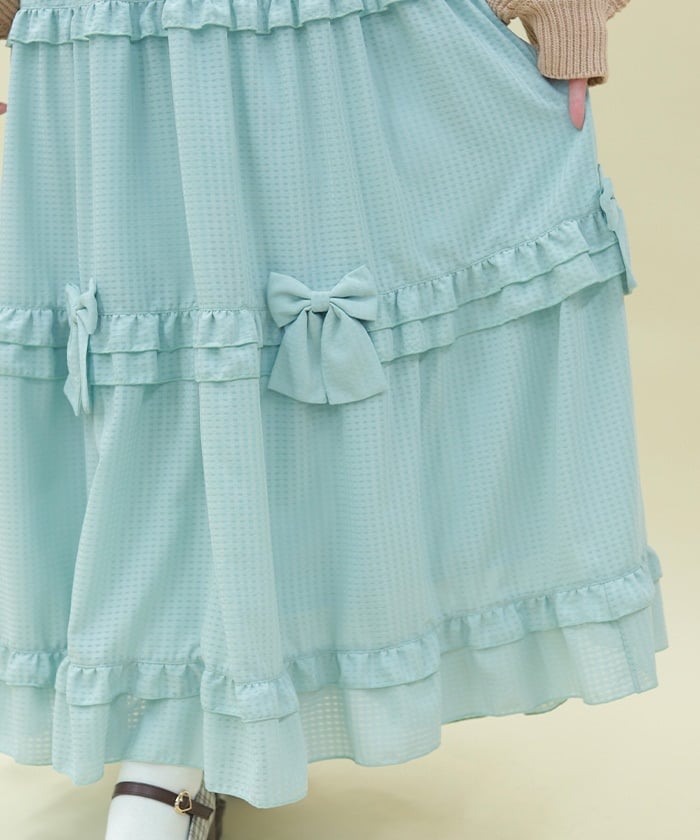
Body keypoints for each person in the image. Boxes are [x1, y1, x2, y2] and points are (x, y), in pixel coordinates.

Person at [0, 1, 668, 838]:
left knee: (274, 393)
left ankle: (184, 747)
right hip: (114, 46)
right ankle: (184, 737)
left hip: (326, 43)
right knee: (158, 391)